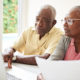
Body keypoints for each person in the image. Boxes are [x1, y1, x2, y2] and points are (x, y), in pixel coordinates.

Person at [37, 5, 80, 80]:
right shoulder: (65, 39)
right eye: (64, 20)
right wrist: (42, 76)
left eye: (69, 21)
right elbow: (51, 64)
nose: (64, 24)